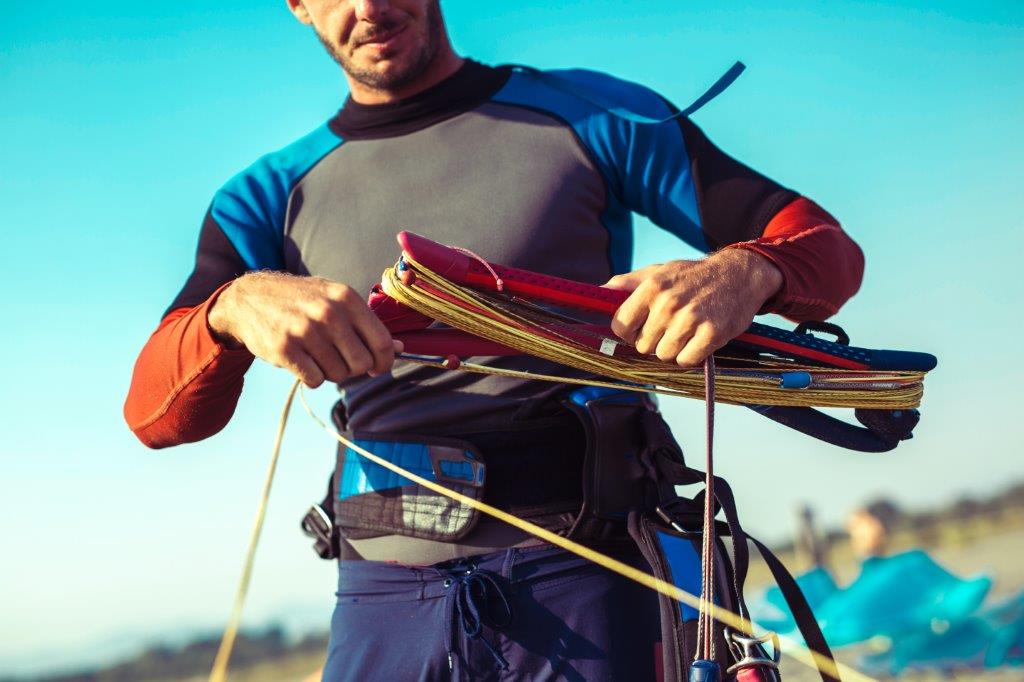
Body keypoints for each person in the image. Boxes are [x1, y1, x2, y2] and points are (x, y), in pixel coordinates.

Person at [124, 1, 865, 679]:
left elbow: (825, 246)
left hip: (595, 572)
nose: (369, 8)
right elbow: (154, 415)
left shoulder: (593, 115)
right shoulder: (266, 196)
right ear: (297, 5)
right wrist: (230, 307)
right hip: (384, 599)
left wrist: (748, 270)